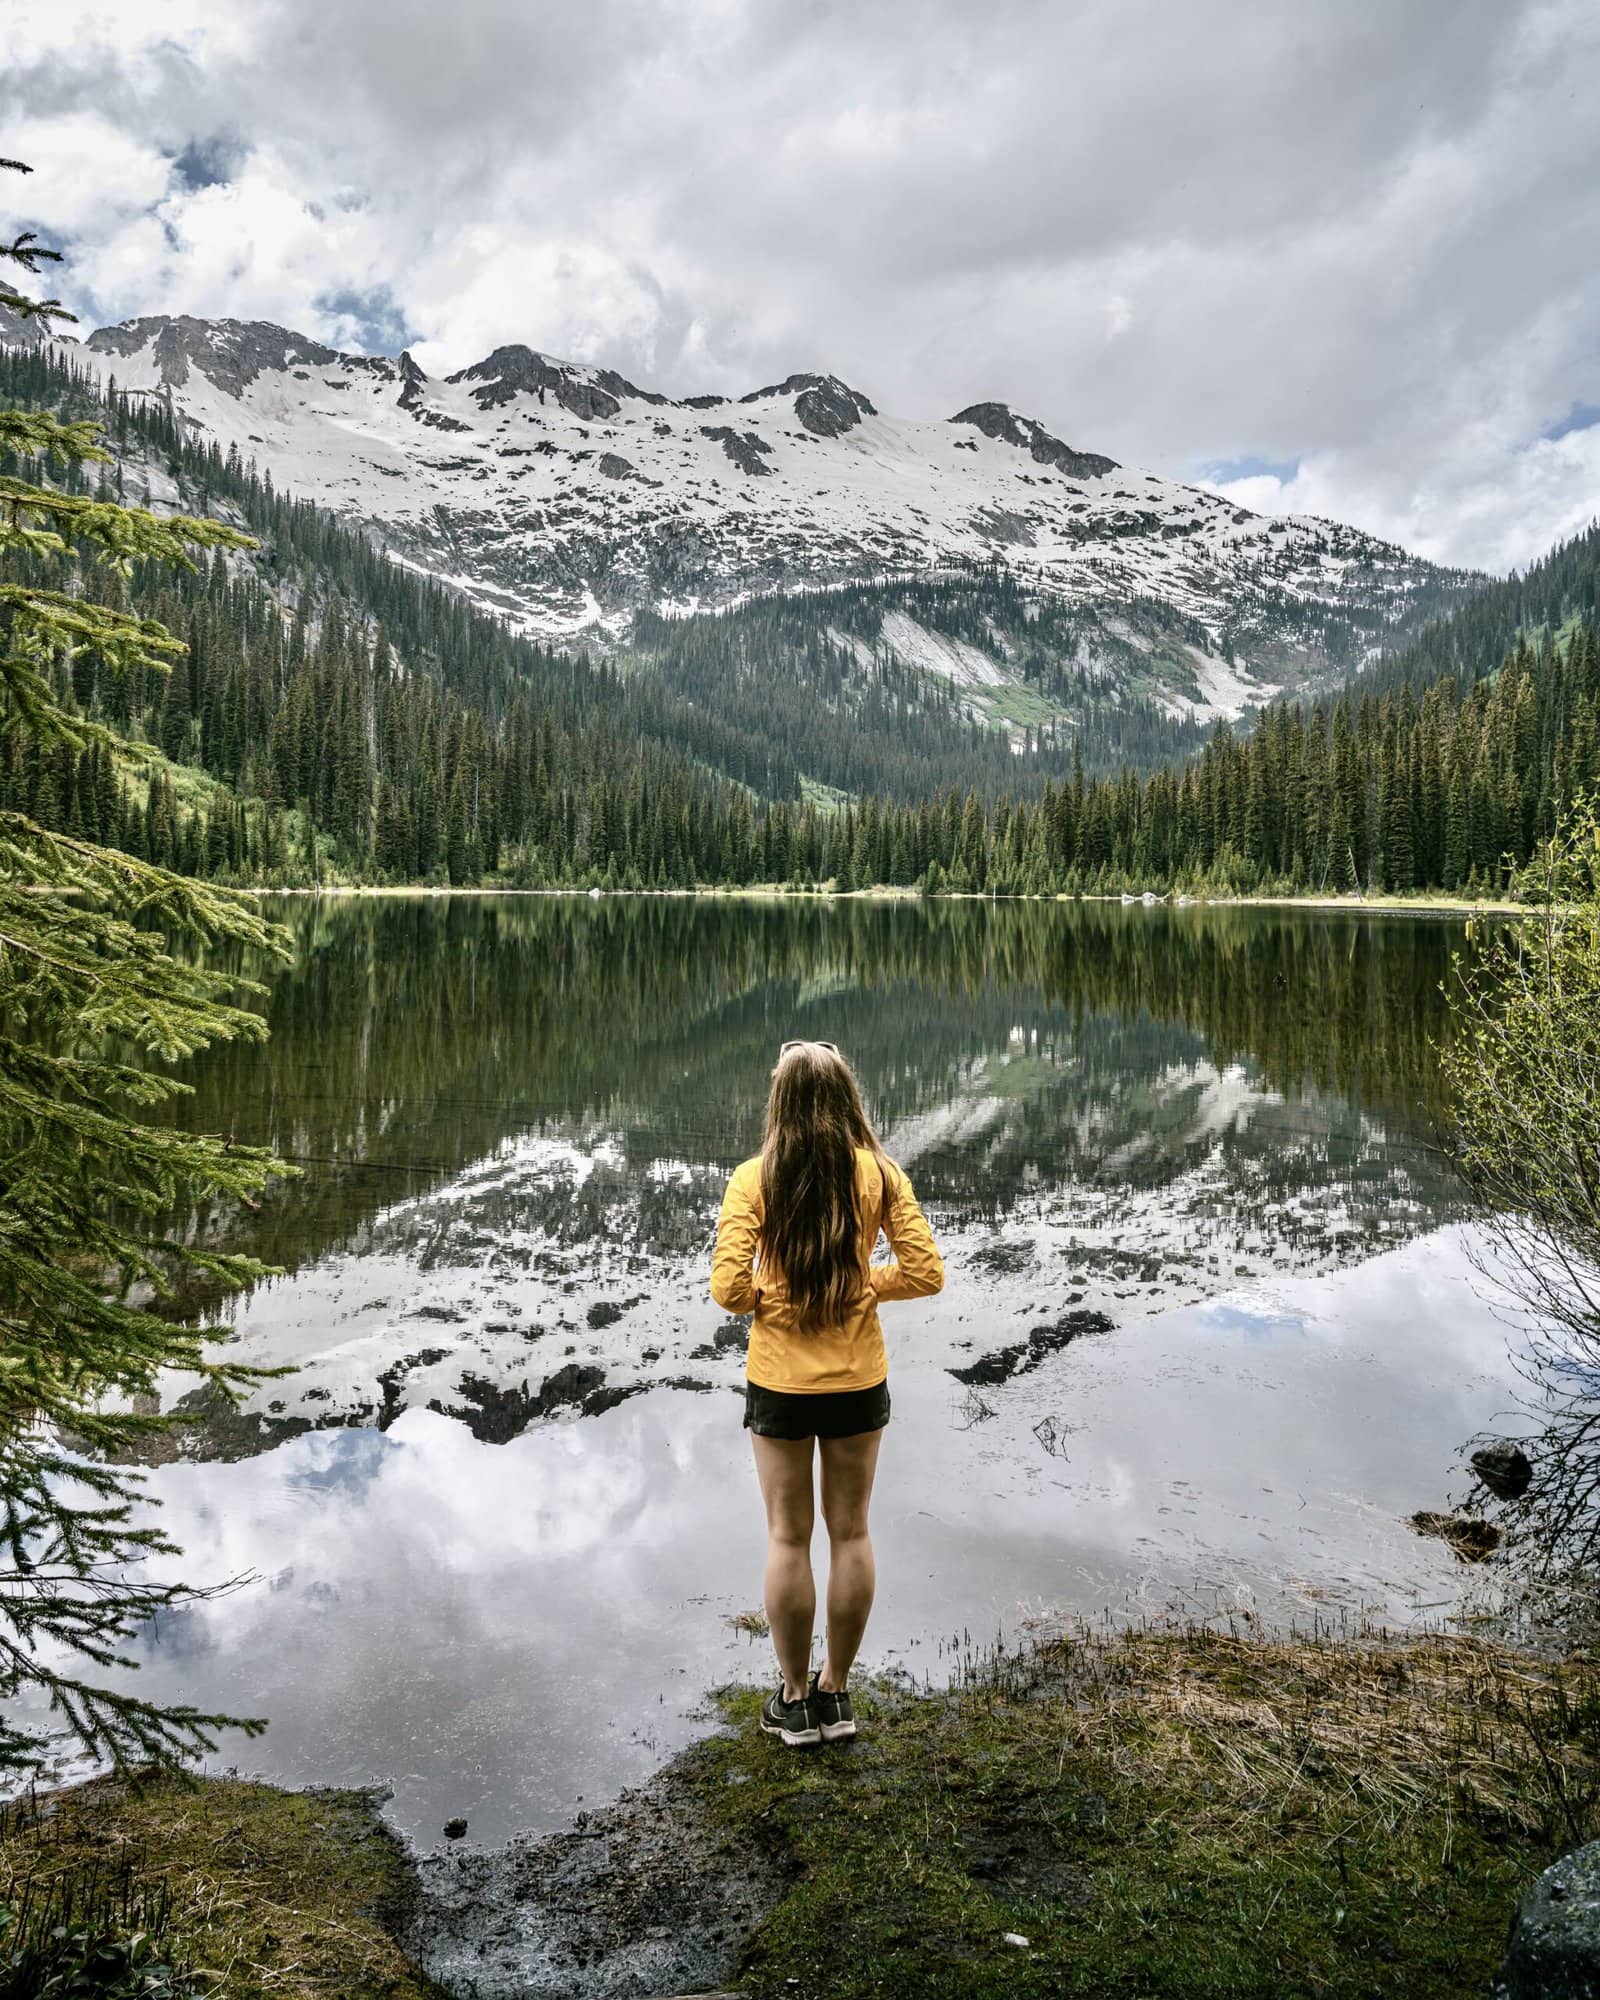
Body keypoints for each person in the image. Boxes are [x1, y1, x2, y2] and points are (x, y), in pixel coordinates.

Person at [710, 1039, 944, 1748]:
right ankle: (836, 1695)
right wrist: (863, 1283)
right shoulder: (880, 1173)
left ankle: (792, 1701)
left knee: (788, 1535)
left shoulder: (754, 1178)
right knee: (852, 1534)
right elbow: (925, 1271)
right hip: (856, 1381)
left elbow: (728, 1290)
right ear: (848, 1099)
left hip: (780, 1382)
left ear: (779, 1103)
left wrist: (773, 1298)